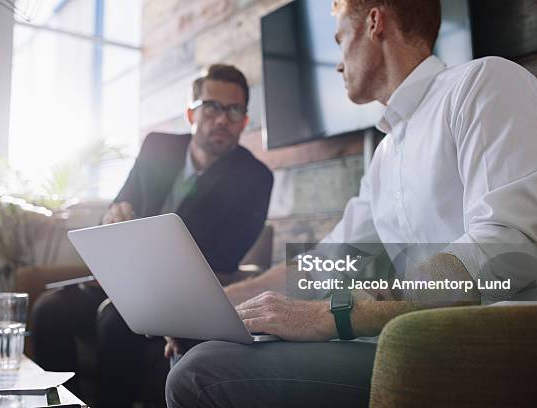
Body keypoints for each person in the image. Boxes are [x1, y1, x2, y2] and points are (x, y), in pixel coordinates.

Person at [165, 0, 537, 406]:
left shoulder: (482, 82)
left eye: (340, 39)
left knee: (203, 372)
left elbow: (509, 245)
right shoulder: (386, 155)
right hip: (403, 339)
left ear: (375, 23)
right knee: (203, 350)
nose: (338, 65)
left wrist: (337, 313)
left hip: (479, 348)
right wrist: (217, 308)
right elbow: (326, 264)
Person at [30, 64, 274, 407]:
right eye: (212, 107)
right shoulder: (158, 147)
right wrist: (113, 216)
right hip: (123, 283)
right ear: (191, 113)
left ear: (245, 121)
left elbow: (224, 258)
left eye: (234, 110)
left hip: (184, 294)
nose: (223, 119)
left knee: (116, 319)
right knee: (50, 310)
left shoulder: (255, 177)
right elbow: (118, 205)